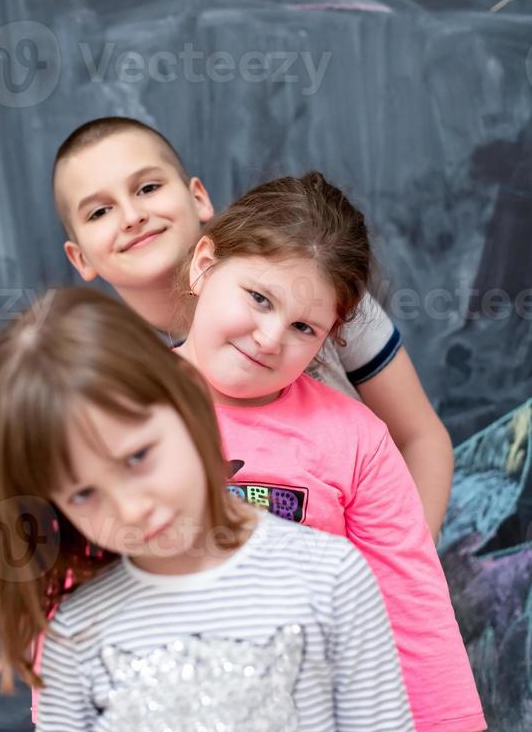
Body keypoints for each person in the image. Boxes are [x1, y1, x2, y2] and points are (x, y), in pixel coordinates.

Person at [0, 287, 430, 732]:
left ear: (185, 396)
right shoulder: (75, 633)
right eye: (83, 493)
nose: (130, 508)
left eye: (138, 456)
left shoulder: (330, 577)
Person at [174, 172, 491, 732]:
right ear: (205, 264)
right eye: (259, 298)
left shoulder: (356, 441)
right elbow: (69, 618)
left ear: (332, 338)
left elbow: (424, 633)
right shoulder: (114, 408)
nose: (269, 338)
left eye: (304, 329)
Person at [53, 117, 453, 539]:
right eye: (100, 211)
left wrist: (389, 574)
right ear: (80, 258)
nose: (132, 216)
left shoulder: (313, 287)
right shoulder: (110, 376)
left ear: (199, 198)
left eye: (148, 188)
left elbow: (421, 438)